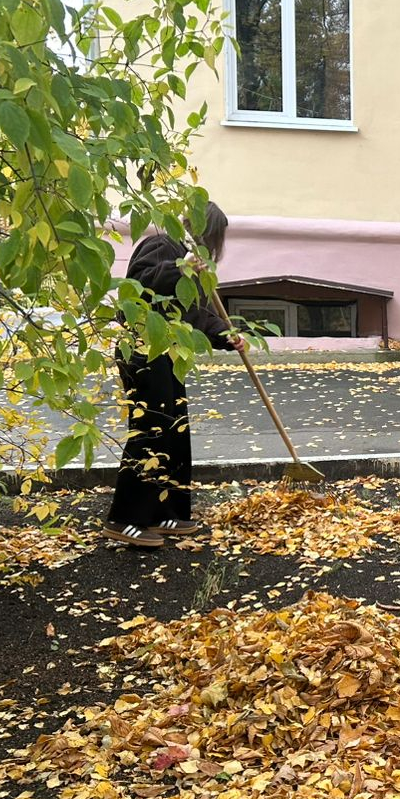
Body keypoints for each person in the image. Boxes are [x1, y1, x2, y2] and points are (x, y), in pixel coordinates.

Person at [103, 203, 240, 549]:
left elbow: (200, 316)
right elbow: (140, 285)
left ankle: (166, 511)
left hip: (170, 354)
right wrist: (179, 269)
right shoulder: (164, 246)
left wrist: (226, 336)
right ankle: (126, 519)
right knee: (152, 428)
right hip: (143, 348)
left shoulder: (197, 268)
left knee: (175, 429)